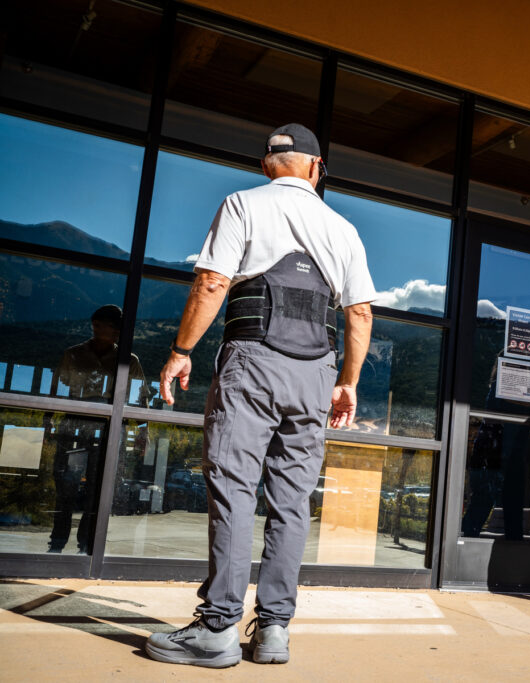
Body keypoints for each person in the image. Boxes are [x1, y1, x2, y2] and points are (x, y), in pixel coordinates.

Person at [145, 123, 375, 668]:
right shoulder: (343, 228)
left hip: (253, 363)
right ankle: (273, 631)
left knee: (234, 488)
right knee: (292, 503)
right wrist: (348, 383)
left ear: (267, 163)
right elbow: (359, 312)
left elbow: (211, 283)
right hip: (315, 371)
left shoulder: (243, 204)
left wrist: (181, 350)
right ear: (316, 169)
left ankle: (218, 628)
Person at [49, 304, 148, 553]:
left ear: (116, 331)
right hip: (74, 427)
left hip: (109, 430)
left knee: (98, 488)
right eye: (95, 325)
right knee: (66, 486)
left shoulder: (129, 360)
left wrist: (142, 433)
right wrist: (47, 424)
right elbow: (55, 392)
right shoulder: (73, 354)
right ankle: (57, 543)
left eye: (102, 326)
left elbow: (140, 399)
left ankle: (86, 545)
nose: (96, 329)